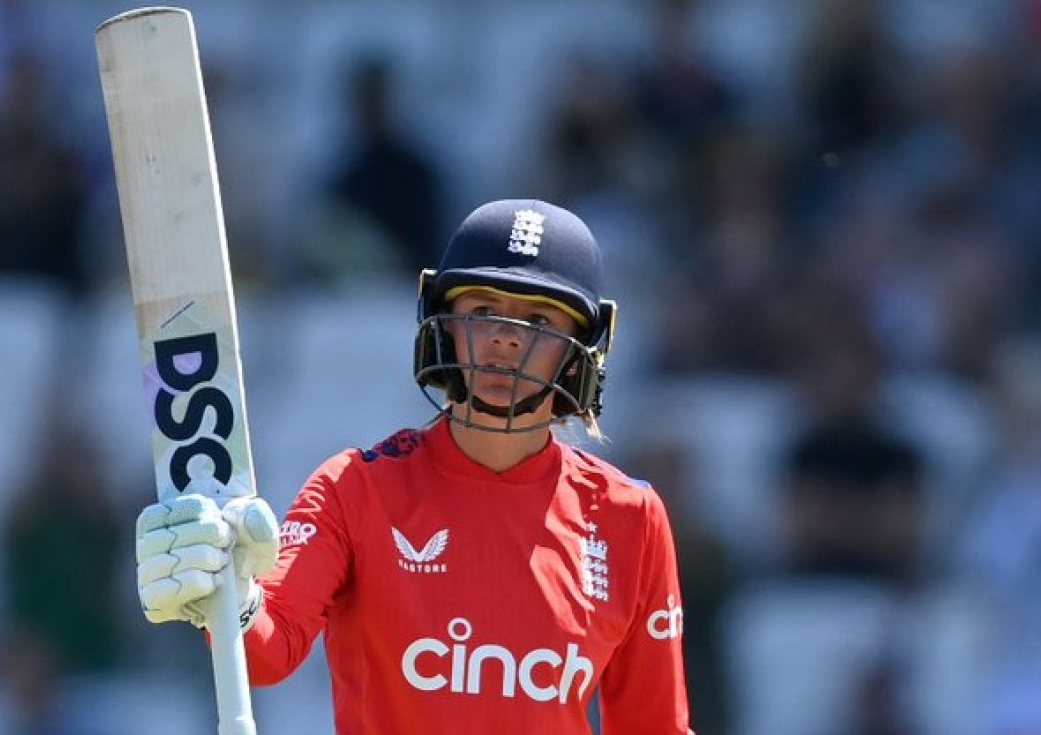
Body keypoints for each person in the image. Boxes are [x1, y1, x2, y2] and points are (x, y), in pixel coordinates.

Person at [134, 199, 693, 734]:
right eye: (484, 311)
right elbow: (266, 652)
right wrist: (227, 592)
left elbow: (654, 726)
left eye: (538, 319)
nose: (505, 337)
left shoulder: (629, 519)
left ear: (580, 349)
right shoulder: (355, 488)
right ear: (443, 323)